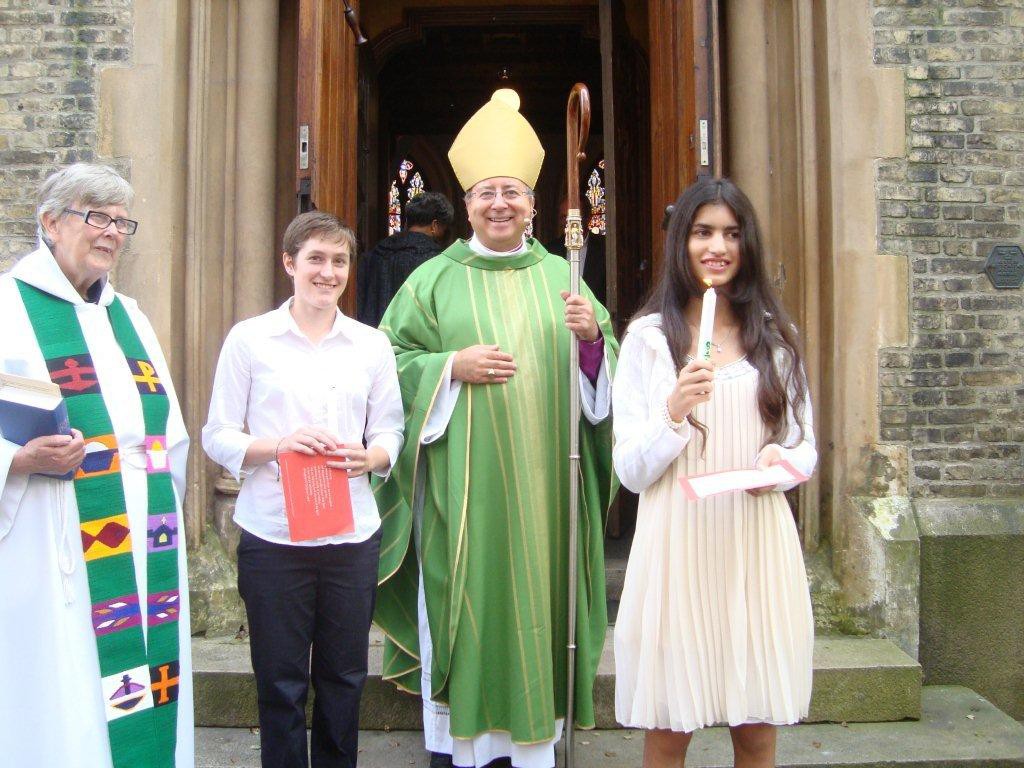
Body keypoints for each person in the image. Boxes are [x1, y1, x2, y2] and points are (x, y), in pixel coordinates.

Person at [373, 89, 618, 768]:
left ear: (534, 204)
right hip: (462, 494)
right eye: (487, 192)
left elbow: (606, 385)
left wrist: (593, 340)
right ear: (467, 201)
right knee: (463, 606)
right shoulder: (431, 282)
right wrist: (449, 366)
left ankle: (534, 747)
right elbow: (384, 365)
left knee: (537, 609)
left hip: (544, 497)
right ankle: (458, 750)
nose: (501, 204)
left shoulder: (564, 281)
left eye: (512, 191)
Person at [612, 178, 817, 768]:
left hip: (754, 540)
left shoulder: (777, 339)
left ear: (747, 244)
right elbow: (629, 470)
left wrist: (781, 467)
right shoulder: (650, 340)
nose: (717, 246)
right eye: (703, 232)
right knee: (670, 726)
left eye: (730, 233)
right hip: (678, 540)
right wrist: (673, 412)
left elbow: (804, 447)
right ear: (683, 243)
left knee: (755, 729)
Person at [0, 163, 193, 767]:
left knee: (142, 681)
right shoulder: (8, 307)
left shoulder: (129, 316)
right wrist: (19, 458)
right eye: (96, 216)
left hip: (145, 539)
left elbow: (172, 432)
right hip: (48, 533)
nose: (111, 231)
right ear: (51, 222)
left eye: (120, 221)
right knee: (66, 687)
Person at [202, 211, 404, 768]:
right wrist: (278, 446)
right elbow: (216, 434)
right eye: (315, 258)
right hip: (274, 534)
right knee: (280, 680)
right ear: (289, 263)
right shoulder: (250, 340)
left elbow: (391, 427)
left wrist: (375, 455)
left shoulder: (370, 345)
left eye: (339, 261)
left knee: (344, 678)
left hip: (350, 534)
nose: (328, 271)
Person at [357, 191, 455, 327]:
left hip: (372, 339)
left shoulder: (374, 255)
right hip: (415, 345)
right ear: (434, 226)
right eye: (444, 228)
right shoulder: (439, 261)